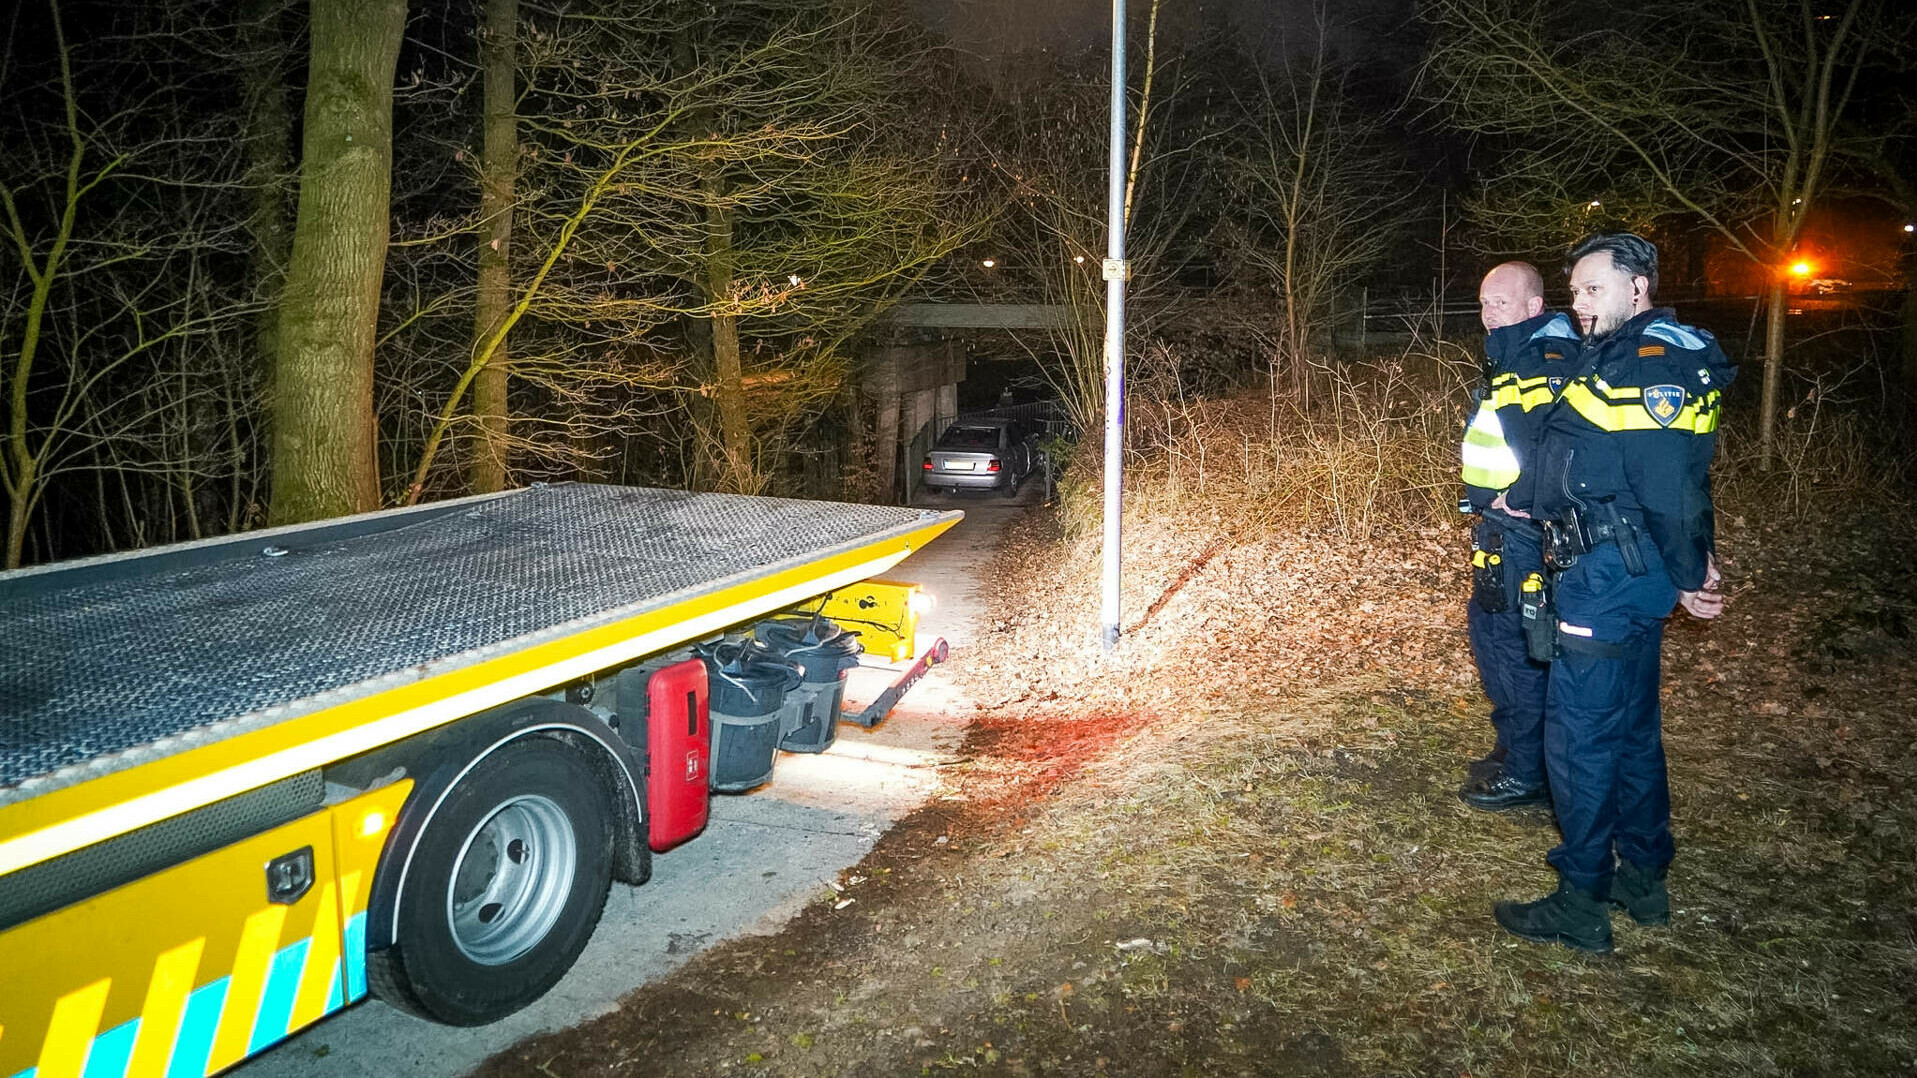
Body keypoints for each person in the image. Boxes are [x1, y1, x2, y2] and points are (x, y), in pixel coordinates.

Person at [1494, 233, 1733, 954]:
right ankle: (1644, 878)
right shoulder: (1626, 353)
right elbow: (1620, 465)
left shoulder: (1648, 362)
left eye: (1593, 289)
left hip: (1607, 575)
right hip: (1626, 565)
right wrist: (1521, 498)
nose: (1580, 303)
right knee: (1630, 731)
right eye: (1575, 290)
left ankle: (1582, 899)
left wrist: (1690, 572)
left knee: (1581, 740)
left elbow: (1666, 485)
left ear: (1637, 287)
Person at [1458, 263, 1579, 810]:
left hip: (1524, 533)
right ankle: (1512, 750)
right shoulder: (1511, 353)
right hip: (1500, 527)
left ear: (1534, 306)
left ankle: (1530, 772)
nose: (1489, 313)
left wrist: (1525, 496)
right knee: (1491, 637)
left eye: (1500, 303)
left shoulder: (1545, 358)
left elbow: (1559, 442)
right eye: (1484, 303)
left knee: (1519, 648)